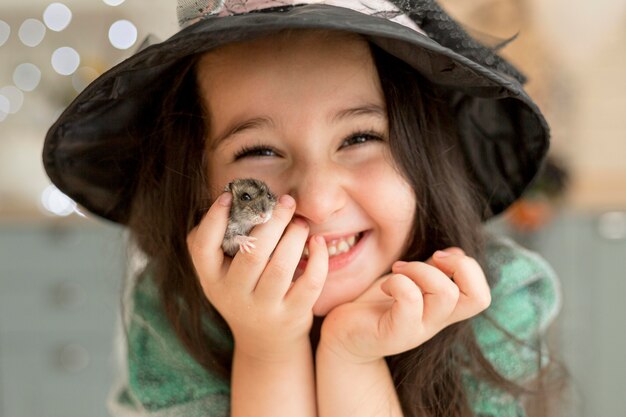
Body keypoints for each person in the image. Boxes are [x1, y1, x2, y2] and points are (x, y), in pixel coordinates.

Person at [42, 0, 562, 416]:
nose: (317, 200)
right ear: (196, 183)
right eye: (259, 152)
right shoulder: (172, 314)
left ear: (424, 153)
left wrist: (353, 355)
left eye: (359, 136)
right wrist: (266, 348)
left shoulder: (496, 301)